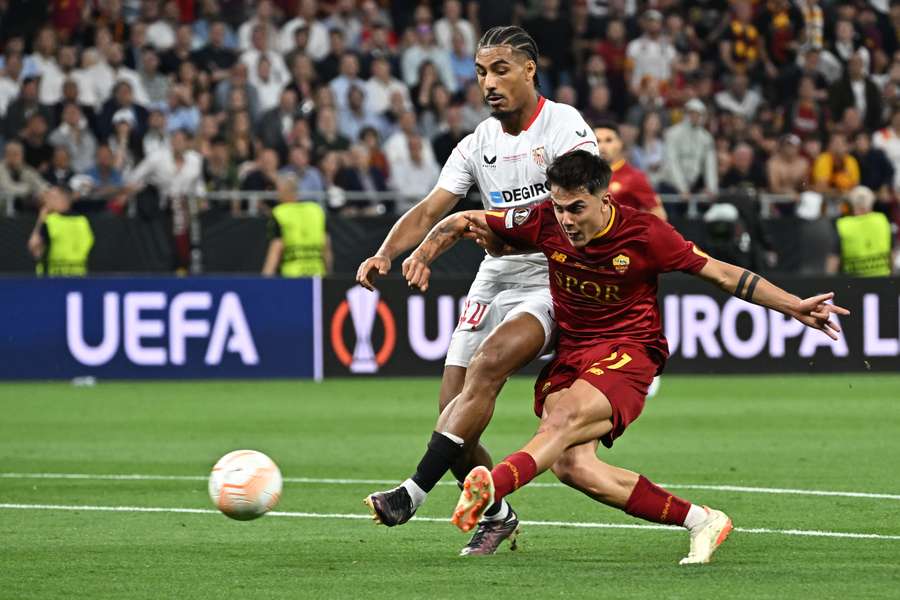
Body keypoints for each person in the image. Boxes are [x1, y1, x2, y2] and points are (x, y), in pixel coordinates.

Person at [402, 150, 849, 564]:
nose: (566, 220)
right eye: (559, 208)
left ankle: (492, 485)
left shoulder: (645, 233)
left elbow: (723, 274)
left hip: (629, 350)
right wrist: (422, 252)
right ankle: (702, 519)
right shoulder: (543, 220)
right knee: (573, 466)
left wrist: (793, 305)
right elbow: (468, 221)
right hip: (573, 352)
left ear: (603, 198)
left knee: (559, 425)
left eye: (576, 208)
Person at [358, 26, 598, 556]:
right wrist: (386, 252)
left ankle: (412, 492)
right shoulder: (477, 143)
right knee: (454, 415)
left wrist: (494, 220)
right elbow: (429, 209)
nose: (489, 83)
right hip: (494, 277)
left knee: (488, 365)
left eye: (500, 69)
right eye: (481, 73)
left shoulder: (565, 127)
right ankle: (498, 513)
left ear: (529, 69)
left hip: (552, 275)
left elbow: (577, 204)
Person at [262, 174, 333, 277]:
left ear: (282, 191)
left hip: (292, 277)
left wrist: (265, 280)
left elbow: (276, 250)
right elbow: (326, 247)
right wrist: (328, 275)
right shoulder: (316, 210)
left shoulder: (280, 213)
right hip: (317, 275)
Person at [594, 122, 666, 220]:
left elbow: (659, 215)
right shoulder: (587, 177)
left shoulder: (634, 177)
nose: (602, 146)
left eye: (608, 140)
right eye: (597, 141)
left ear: (620, 143)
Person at [27, 186, 94, 276]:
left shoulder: (50, 221)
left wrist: (41, 218)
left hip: (53, 275)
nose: (47, 201)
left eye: (51, 197)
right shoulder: (83, 221)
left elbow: (34, 247)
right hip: (79, 274)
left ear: (63, 199)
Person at [835, 186, 894, 276]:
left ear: (851, 204)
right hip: (882, 279)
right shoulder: (882, 220)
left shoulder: (842, 224)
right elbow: (892, 253)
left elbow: (834, 258)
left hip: (852, 281)